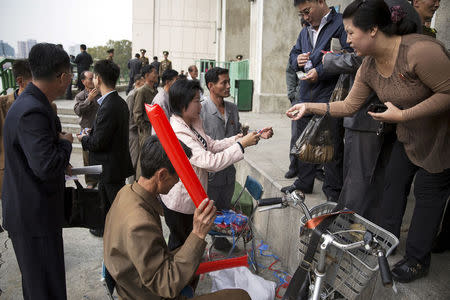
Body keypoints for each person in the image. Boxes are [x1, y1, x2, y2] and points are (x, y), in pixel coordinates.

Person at [287, 0, 450, 283]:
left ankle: (417, 260)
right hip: (407, 133)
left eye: (351, 33)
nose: (346, 40)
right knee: (392, 184)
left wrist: (404, 114)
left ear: (373, 29)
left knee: (427, 192)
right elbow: (349, 106)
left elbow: (447, 92)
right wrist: (310, 107)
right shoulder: (369, 66)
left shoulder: (420, 51)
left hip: (440, 136)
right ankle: (385, 244)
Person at [104, 135, 251, 300]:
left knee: (195, 257)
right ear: (162, 175)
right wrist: (198, 233)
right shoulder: (140, 224)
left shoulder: (127, 191)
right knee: (241, 296)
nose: (179, 180)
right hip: (147, 293)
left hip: (135, 278)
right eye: (178, 174)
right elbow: (166, 285)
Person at [160, 79, 267, 251]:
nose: (201, 105)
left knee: (188, 245)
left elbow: (210, 144)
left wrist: (237, 139)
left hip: (192, 197)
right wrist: (241, 145)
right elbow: (209, 161)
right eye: (196, 101)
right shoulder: (179, 131)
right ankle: (179, 276)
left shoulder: (192, 122)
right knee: (180, 246)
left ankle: (188, 272)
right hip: (180, 201)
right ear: (182, 104)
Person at [2, 43, 73, 300]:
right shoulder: (33, 110)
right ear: (63, 77)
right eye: (70, 76)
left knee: (38, 286)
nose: (70, 82)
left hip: (32, 212)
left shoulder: (30, 102)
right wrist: (65, 144)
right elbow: (47, 167)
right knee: (45, 289)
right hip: (33, 216)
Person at [282, 0, 351, 203]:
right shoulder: (305, 32)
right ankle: (304, 182)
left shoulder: (341, 24)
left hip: (329, 95)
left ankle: (333, 189)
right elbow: (293, 53)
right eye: (301, 14)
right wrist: (298, 61)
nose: (305, 17)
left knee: (331, 143)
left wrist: (319, 72)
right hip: (306, 94)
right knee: (304, 141)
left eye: (307, 11)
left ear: (320, 2)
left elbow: (349, 57)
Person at [201, 67, 273, 250]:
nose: (228, 86)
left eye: (228, 82)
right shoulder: (201, 109)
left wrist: (257, 135)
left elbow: (238, 136)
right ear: (211, 86)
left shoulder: (232, 109)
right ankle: (198, 246)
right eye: (223, 82)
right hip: (210, 173)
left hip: (228, 173)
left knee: (225, 209)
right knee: (208, 213)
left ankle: (220, 241)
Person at [78, 60, 134, 237]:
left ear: (98, 78)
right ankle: (104, 228)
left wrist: (84, 138)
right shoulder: (118, 102)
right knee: (107, 202)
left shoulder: (109, 105)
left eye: (94, 76)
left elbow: (98, 143)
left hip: (110, 168)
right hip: (113, 167)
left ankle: (117, 237)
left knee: (115, 206)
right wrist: (92, 132)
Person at [0, 59, 33, 195]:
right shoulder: (2, 105)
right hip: (9, 173)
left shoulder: (49, 105)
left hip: (36, 173)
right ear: (20, 81)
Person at [73, 71, 101, 188]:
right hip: (86, 129)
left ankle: (101, 179)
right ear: (83, 81)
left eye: (93, 77)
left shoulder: (100, 93)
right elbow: (78, 111)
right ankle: (90, 181)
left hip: (99, 128)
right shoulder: (80, 96)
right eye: (89, 78)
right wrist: (88, 100)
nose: (92, 80)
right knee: (87, 157)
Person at [133, 64, 159, 179]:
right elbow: (137, 113)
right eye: (154, 72)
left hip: (155, 127)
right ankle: (140, 179)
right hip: (147, 129)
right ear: (147, 75)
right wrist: (143, 128)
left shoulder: (155, 91)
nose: (157, 74)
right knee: (144, 156)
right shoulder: (142, 91)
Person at [126, 74, 145, 184]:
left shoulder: (138, 93)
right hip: (132, 131)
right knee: (133, 159)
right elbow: (129, 115)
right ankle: (130, 185)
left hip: (137, 130)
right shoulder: (132, 95)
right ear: (138, 82)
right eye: (143, 82)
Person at [285, 61, 300, 179]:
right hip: (299, 99)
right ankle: (294, 166)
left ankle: (317, 169)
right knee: (296, 134)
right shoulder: (301, 45)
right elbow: (290, 70)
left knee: (317, 134)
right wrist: (292, 94)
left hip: (319, 97)